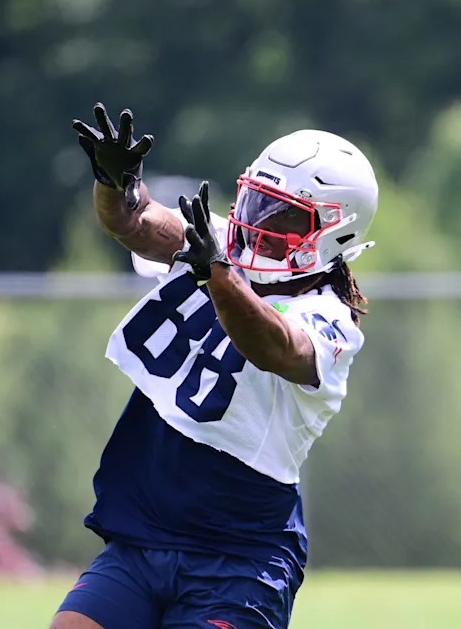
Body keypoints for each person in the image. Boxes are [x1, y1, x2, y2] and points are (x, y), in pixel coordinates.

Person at [51, 103, 379, 629]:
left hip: (239, 554)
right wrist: (115, 184)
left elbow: (273, 345)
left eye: (286, 215)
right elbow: (133, 223)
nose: (260, 224)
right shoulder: (220, 249)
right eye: (258, 202)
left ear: (335, 233)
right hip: (146, 532)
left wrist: (216, 272)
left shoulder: (332, 319)